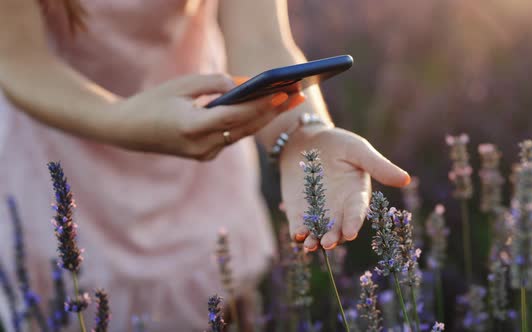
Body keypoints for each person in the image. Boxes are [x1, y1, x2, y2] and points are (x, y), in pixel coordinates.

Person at [0, 0, 410, 330]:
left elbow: (262, 39)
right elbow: (19, 59)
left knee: (216, 300)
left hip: (196, 159)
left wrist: (307, 135)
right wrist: (123, 121)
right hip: (57, 159)